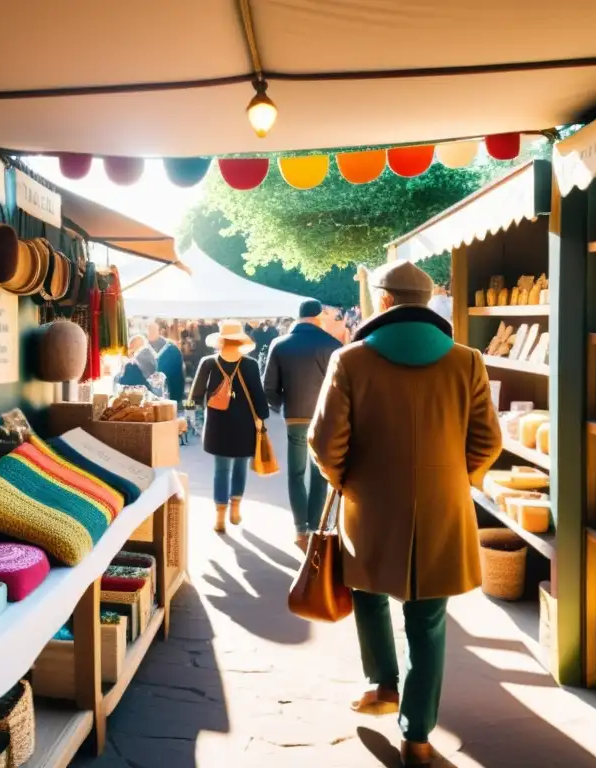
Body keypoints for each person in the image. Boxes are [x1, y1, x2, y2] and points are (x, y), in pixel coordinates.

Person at [308, 261, 501, 766]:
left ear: (386, 301)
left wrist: (346, 482)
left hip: (369, 507)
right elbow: (488, 442)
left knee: (368, 590)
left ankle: (381, 684)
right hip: (444, 508)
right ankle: (416, 736)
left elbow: (326, 444)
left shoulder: (349, 361)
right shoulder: (468, 361)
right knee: (429, 619)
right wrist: (452, 481)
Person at [262, 299, 342, 551]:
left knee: (296, 474)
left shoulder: (280, 344)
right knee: (319, 473)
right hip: (325, 417)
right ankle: (315, 527)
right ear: (318, 316)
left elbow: (269, 388)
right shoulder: (332, 345)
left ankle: (300, 531)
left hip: (295, 416)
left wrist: (275, 406)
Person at [189, 320, 269, 533]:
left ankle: (220, 517)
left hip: (218, 424)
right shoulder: (250, 364)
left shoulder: (208, 362)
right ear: (240, 341)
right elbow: (258, 395)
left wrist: (191, 417)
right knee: (240, 467)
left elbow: (194, 395)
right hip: (244, 424)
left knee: (221, 469)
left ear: (221, 340)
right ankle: (235, 509)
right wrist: (262, 417)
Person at [149, 321, 186, 407]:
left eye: (153, 330)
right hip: (149, 397)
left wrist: (176, 398)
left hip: (169, 395)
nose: (150, 332)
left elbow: (178, 376)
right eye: (149, 329)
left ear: (161, 331)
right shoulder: (143, 346)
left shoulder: (171, 349)